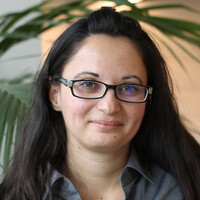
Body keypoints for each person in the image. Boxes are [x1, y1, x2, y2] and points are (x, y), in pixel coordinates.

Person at [0, 7, 200, 200]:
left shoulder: (185, 189)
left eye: (129, 87)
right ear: (55, 95)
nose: (109, 106)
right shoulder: (13, 195)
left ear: (148, 100)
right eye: (88, 84)